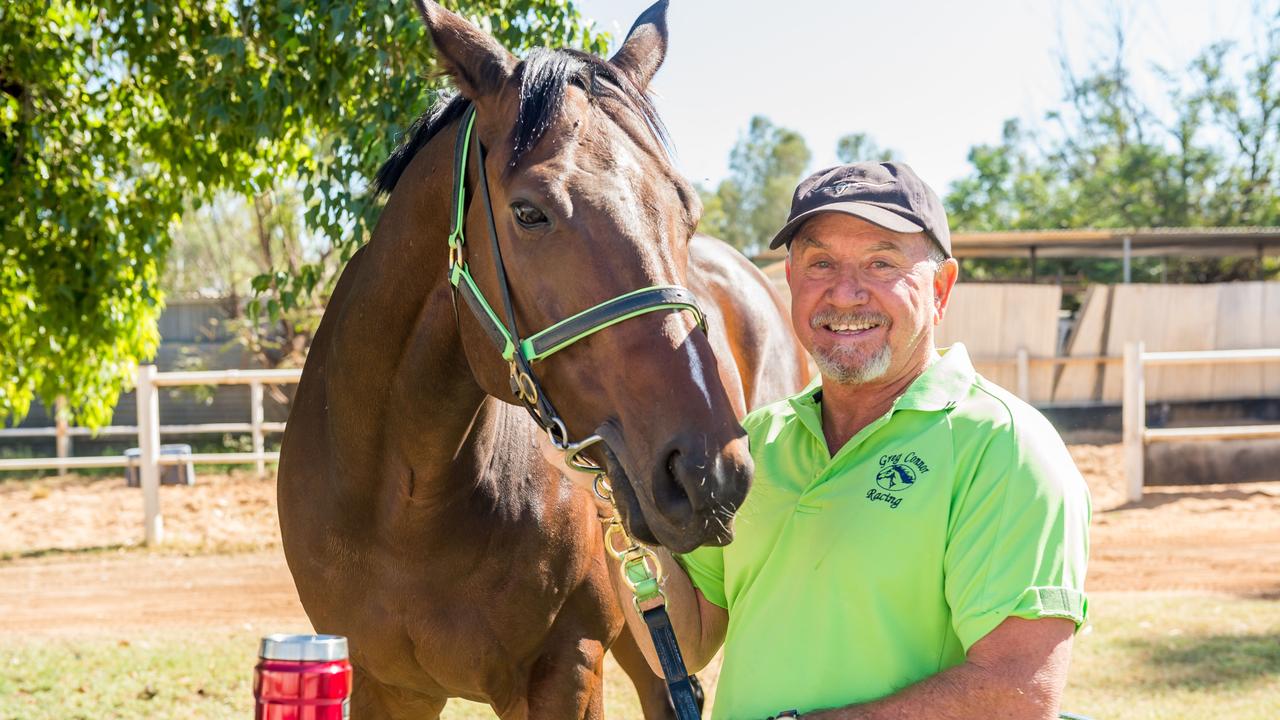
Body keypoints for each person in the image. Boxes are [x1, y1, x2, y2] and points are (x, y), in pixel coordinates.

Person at [607, 162, 1091, 719]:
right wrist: (613, 495)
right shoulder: (759, 442)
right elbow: (686, 644)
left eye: (881, 263)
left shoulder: (1003, 446)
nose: (845, 293)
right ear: (789, 281)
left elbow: (1015, 695)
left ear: (940, 287)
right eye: (820, 264)